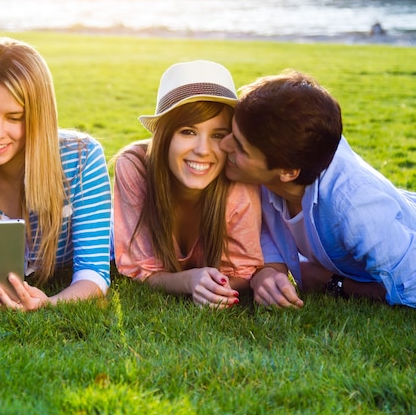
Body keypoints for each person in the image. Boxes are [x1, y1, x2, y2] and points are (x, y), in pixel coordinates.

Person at [219, 70, 416, 308]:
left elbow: (410, 288)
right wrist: (268, 272)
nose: (223, 144)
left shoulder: (357, 209)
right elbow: (265, 230)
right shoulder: (278, 164)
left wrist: (333, 283)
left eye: (240, 147)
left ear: (288, 172)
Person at [0, 37, 112, 311]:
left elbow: (94, 272)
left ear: (38, 116)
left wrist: (49, 304)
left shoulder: (82, 158)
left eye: (14, 117)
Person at [113, 60, 263, 309]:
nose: (203, 150)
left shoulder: (237, 180)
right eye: (188, 132)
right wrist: (190, 280)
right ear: (165, 135)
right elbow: (139, 269)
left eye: (217, 135)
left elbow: (243, 271)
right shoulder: (135, 166)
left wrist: (212, 287)